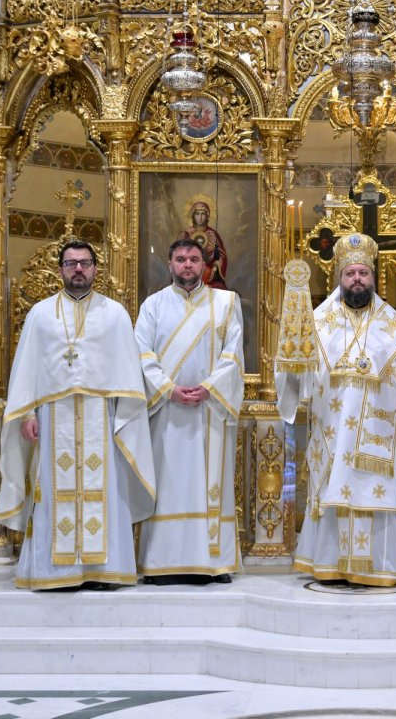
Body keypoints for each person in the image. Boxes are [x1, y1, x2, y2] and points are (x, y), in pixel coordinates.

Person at [275, 233, 396, 586]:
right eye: (350, 274)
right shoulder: (317, 323)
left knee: (372, 489)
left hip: (376, 432)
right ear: (339, 277)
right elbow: (296, 372)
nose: (356, 280)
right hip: (332, 428)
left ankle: (380, 567)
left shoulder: (395, 325)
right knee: (333, 489)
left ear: (373, 277)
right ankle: (330, 563)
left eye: (363, 273)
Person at [0, 241, 156, 591]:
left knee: (106, 491)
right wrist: (26, 414)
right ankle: (56, 573)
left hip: (103, 417)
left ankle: (104, 570)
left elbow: (128, 374)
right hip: (55, 418)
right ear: (60, 270)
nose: (78, 269)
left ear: (96, 268)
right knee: (55, 492)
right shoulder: (40, 313)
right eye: (71, 264)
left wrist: (124, 419)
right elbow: (26, 369)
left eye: (85, 263)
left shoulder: (115, 314)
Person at [135, 239, 245, 585]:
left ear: (205, 265)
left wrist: (210, 387)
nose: (187, 265)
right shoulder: (152, 306)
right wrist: (169, 389)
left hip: (209, 410)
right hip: (166, 411)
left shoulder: (226, 302)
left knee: (207, 484)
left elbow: (234, 353)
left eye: (194, 259)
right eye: (180, 259)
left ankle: (214, 562)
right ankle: (160, 563)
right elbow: (141, 354)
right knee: (168, 485)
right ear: (169, 264)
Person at [179, 199, 228, 290]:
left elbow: (221, 256)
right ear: (193, 216)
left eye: (203, 214)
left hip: (209, 276)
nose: (200, 217)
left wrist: (215, 268)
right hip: (188, 275)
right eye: (197, 214)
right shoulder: (185, 234)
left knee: (217, 289)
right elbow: (178, 256)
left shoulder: (213, 235)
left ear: (207, 216)